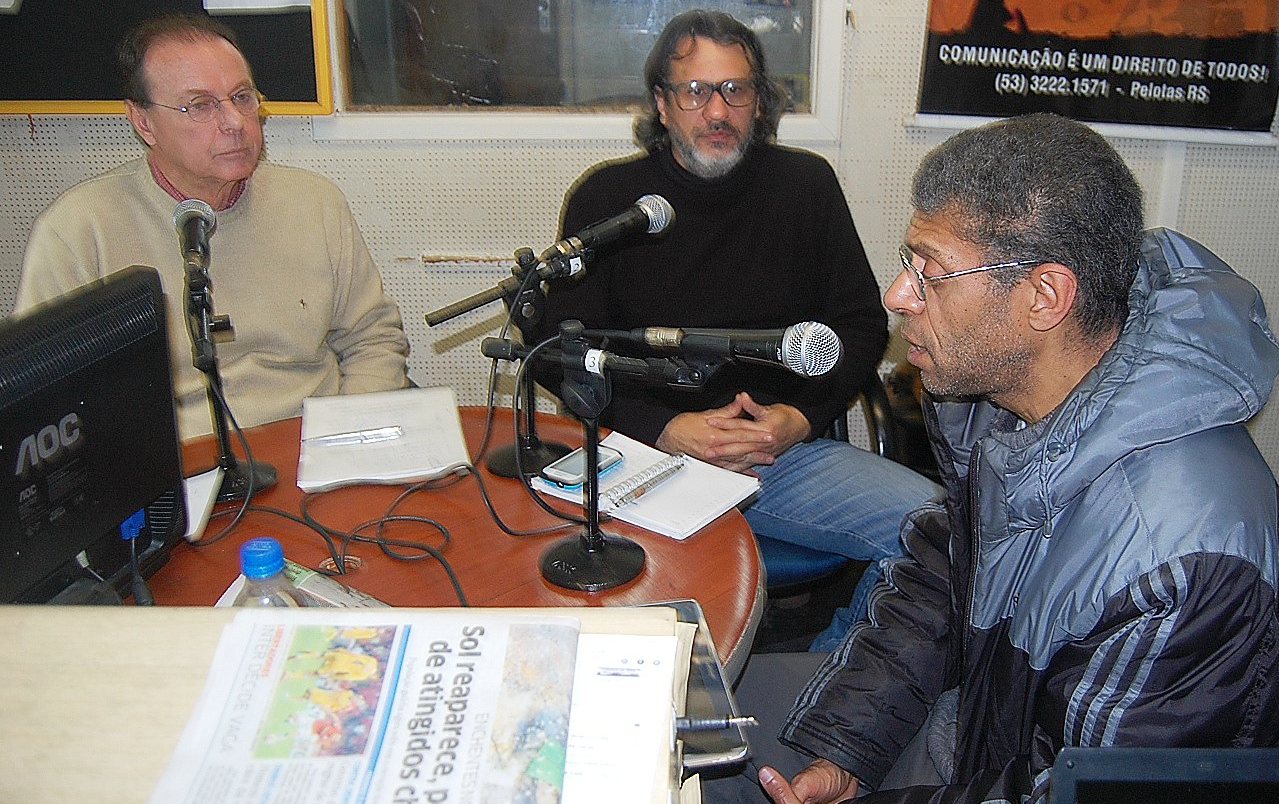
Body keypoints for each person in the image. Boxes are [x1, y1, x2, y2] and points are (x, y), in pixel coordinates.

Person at [708, 112, 1279, 803]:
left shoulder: (1184, 559)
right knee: (689, 726)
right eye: (906, 262)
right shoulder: (1001, 395)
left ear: (1043, 297)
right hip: (973, 718)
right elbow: (939, 583)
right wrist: (846, 747)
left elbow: (1066, 792)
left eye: (932, 273)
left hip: (1014, 769)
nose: (898, 296)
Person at [526, 10, 940, 626]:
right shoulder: (610, 200)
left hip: (779, 457)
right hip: (646, 459)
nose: (717, 112)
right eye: (695, 91)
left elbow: (860, 325)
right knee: (599, 595)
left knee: (942, 537)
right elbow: (560, 350)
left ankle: (831, 695)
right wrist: (665, 428)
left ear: (757, 102)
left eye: (734, 90)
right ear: (663, 105)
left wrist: (796, 420)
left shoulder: (806, 186)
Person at [17, 13, 409, 441]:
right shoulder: (78, 231)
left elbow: (372, 340)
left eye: (242, 97)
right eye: (200, 106)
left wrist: (352, 442)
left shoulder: (315, 203)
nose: (235, 123)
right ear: (143, 121)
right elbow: (47, 403)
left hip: (314, 446)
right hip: (179, 466)